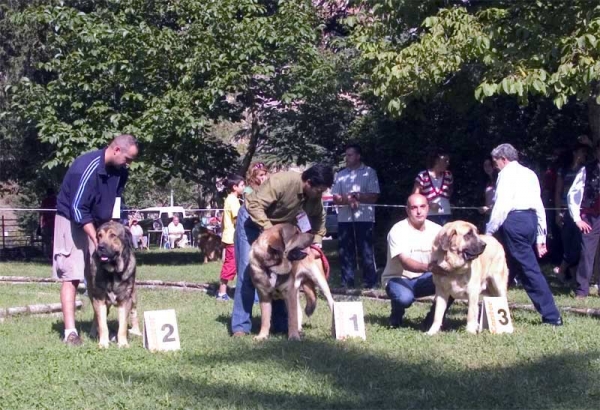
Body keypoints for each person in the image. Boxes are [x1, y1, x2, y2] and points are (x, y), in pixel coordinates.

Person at [53, 134, 138, 345]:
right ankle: (70, 332)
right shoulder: (87, 167)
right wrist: (98, 240)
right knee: (72, 275)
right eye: (127, 159)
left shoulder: (121, 172)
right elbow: (78, 209)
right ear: (116, 150)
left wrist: (114, 227)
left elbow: (116, 200)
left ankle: (98, 326)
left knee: (98, 277)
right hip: (72, 220)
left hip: (101, 223)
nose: (129, 164)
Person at [230, 164, 334, 337]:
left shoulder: (314, 198)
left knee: (281, 272)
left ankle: (280, 324)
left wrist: (316, 244)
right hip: (251, 221)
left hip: (278, 231)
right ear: (308, 182)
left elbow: (319, 220)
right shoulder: (283, 181)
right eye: (319, 190)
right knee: (248, 272)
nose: (320, 194)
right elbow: (253, 205)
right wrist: (271, 232)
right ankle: (241, 327)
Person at [486, 143, 562, 326]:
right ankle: (493, 312)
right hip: (530, 221)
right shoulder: (529, 174)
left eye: (496, 163)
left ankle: (552, 316)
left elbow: (502, 205)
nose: (495, 167)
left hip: (514, 222)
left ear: (503, 159)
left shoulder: (506, 175)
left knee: (529, 269)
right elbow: (539, 206)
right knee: (509, 267)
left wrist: (489, 231)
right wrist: (541, 236)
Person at [382, 194, 449, 328]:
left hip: (425, 278)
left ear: (428, 208)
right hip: (397, 278)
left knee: (451, 282)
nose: (419, 211)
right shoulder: (398, 230)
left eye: (422, 207)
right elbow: (406, 262)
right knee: (404, 298)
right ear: (407, 210)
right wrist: (430, 267)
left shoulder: (438, 230)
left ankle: (432, 320)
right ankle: (395, 317)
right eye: (414, 208)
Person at [332, 144, 380, 289]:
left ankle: (370, 282)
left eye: (350, 155)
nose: (347, 158)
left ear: (358, 156)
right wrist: (348, 199)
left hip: (365, 219)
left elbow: (374, 196)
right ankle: (347, 282)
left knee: (366, 250)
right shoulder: (340, 175)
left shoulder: (370, 172)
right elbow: (335, 197)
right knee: (345, 251)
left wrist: (357, 196)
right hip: (344, 219)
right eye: (346, 155)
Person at [567, 139, 600, 299]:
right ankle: (582, 290)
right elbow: (573, 194)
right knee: (587, 253)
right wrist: (577, 218)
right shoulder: (587, 170)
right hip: (591, 217)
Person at [554, 143, 589, 281]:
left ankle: (561, 269)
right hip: (565, 209)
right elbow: (558, 191)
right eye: (582, 151)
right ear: (575, 152)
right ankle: (572, 277)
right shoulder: (564, 170)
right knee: (568, 244)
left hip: (582, 211)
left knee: (578, 245)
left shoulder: (586, 169)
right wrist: (557, 212)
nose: (584, 155)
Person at [216, 174, 245, 301]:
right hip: (232, 238)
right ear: (235, 187)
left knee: (236, 264)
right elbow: (238, 219)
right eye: (242, 185)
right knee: (230, 264)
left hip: (231, 237)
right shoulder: (233, 201)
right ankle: (222, 293)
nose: (245, 188)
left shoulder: (231, 199)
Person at [413, 149, 453, 226]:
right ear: (437, 161)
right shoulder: (423, 175)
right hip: (429, 215)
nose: (448, 163)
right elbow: (415, 196)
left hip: (446, 213)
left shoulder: (448, 175)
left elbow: (450, 191)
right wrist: (428, 204)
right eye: (445, 160)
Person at [39, 187, 57, 259]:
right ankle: (52, 254)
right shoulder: (56, 200)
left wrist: (40, 224)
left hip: (48, 223)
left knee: (48, 241)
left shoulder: (45, 201)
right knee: (52, 239)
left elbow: (41, 213)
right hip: (53, 223)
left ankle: (49, 254)